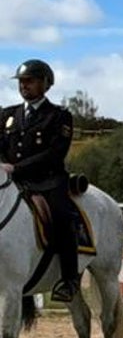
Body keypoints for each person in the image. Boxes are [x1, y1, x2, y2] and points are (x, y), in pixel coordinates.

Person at [0, 59, 79, 302]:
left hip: (47, 181)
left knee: (63, 216)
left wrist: (16, 167)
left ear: (45, 84)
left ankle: (69, 279)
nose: (25, 86)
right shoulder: (7, 115)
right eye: (22, 82)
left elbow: (54, 153)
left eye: (30, 81)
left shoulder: (59, 116)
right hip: (11, 180)